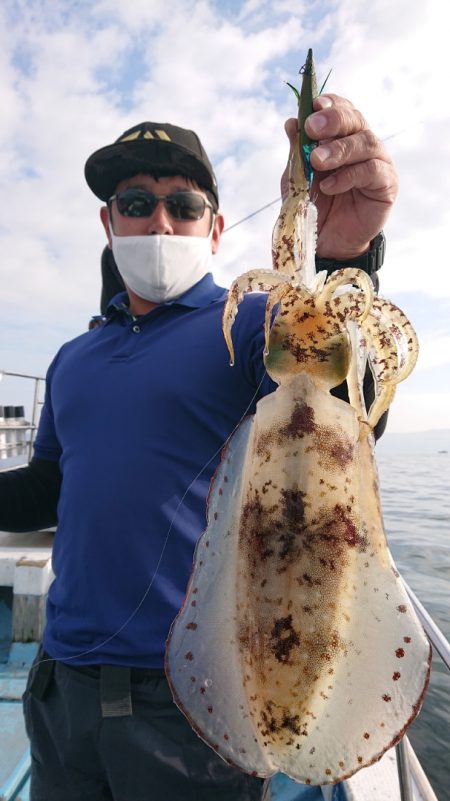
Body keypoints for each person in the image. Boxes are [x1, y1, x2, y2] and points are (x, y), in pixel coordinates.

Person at [0, 95, 397, 801]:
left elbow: (342, 404)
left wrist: (343, 257)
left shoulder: (249, 324)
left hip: (191, 696)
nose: (159, 222)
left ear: (214, 229)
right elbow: (50, 486)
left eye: (183, 205)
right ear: (108, 223)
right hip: (61, 687)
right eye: (135, 203)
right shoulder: (73, 358)